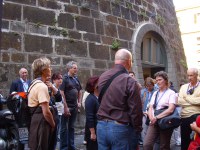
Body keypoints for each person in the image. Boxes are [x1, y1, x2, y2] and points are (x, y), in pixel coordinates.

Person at [97, 49, 143, 150]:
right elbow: (135, 110)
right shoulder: (130, 81)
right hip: (119, 127)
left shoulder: (103, 76)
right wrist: (137, 131)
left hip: (101, 126)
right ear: (129, 61)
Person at [143, 71, 177, 150]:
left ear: (165, 80)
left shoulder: (171, 93)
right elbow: (150, 107)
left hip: (165, 120)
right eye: (157, 80)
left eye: (160, 80)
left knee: (164, 146)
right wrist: (151, 117)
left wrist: (156, 117)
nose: (158, 82)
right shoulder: (155, 93)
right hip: (154, 120)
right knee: (147, 144)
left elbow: (171, 109)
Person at [28, 57, 56, 150]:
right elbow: (46, 112)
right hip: (42, 122)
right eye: (49, 67)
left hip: (37, 120)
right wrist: (53, 124)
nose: (50, 69)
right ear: (44, 71)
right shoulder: (41, 86)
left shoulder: (34, 83)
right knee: (42, 146)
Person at [60, 61, 82, 150]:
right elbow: (61, 93)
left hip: (74, 106)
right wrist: (65, 107)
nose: (76, 69)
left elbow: (80, 90)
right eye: (74, 68)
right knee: (64, 128)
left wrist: (79, 102)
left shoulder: (76, 78)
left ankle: (71, 147)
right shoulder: (64, 78)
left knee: (72, 127)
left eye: (76, 68)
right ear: (69, 69)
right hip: (67, 106)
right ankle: (64, 147)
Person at [178, 68, 200, 150]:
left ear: (196, 75)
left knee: (197, 140)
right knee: (184, 141)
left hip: (196, 116)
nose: (189, 78)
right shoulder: (184, 87)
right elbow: (179, 101)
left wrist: (186, 97)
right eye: (188, 75)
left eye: (191, 75)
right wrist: (194, 101)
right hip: (184, 116)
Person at [85, 76, 99, 150]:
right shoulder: (90, 99)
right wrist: (92, 133)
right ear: (94, 86)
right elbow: (89, 117)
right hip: (93, 130)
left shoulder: (98, 97)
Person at [140, 77, 156, 142]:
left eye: (150, 86)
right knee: (144, 129)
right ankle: (145, 143)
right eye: (147, 86)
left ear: (153, 85)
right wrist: (142, 111)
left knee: (153, 129)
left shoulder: (156, 91)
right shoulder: (142, 92)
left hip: (153, 114)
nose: (149, 88)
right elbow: (140, 102)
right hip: (144, 113)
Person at [51, 73, 64, 143]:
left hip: (59, 112)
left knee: (57, 130)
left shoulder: (58, 88)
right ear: (53, 80)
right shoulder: (52, 89)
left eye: (61, 78)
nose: (60, 80)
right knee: (55, 132)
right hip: (55, 113)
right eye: (58, 79)